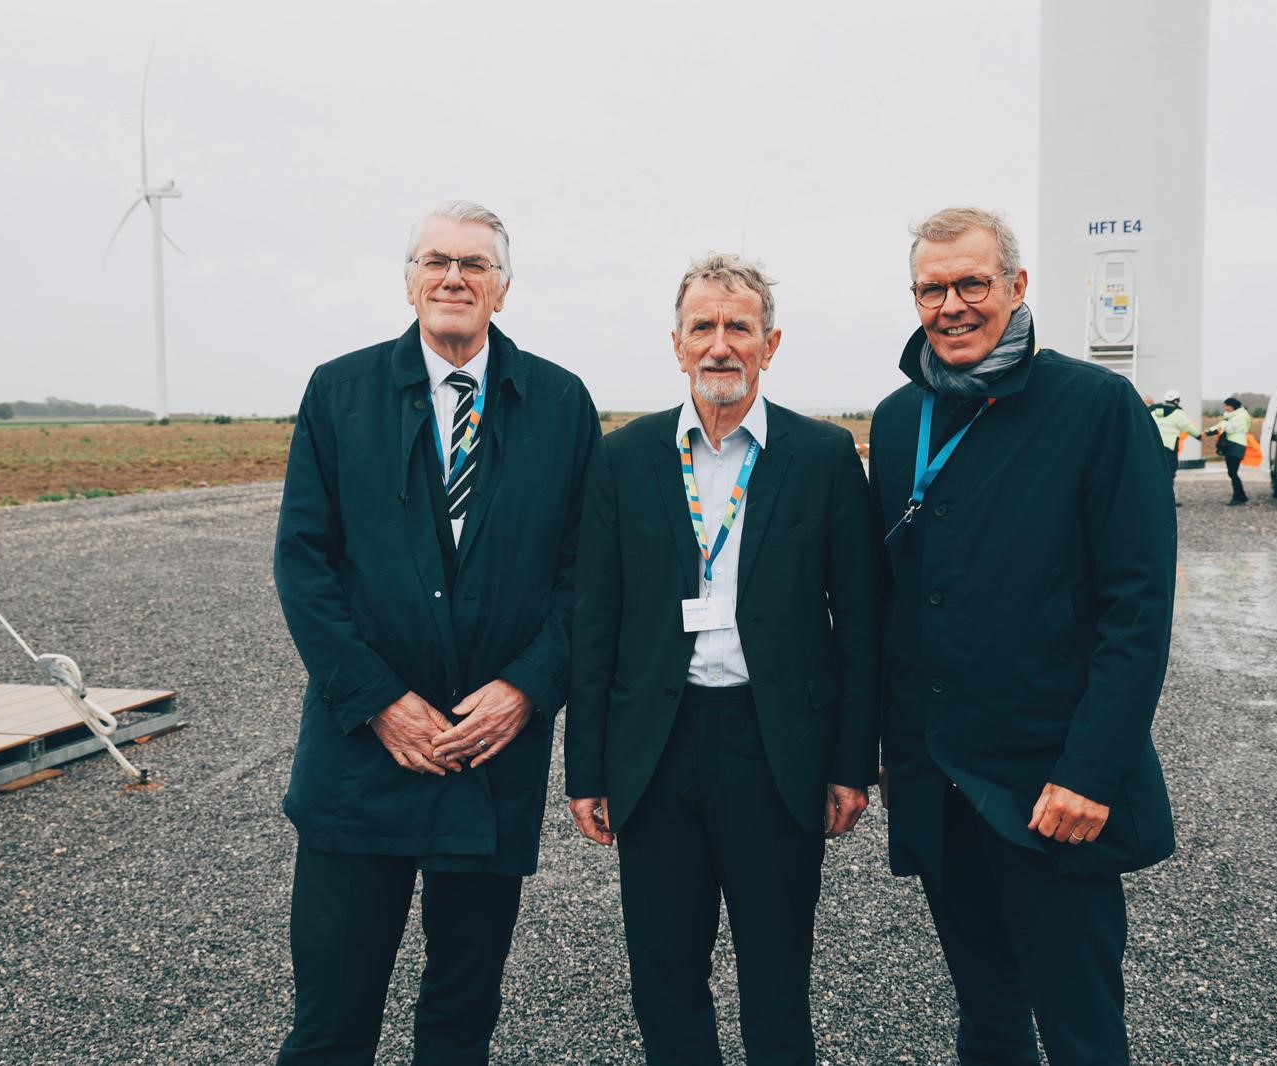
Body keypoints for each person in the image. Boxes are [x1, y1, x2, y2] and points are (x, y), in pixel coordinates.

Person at [272, 200, 600, 1064]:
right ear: (409, 279)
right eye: (435, 262)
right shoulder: (338, 393)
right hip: (360, 757)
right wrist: (379, 700)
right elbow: (304, 567)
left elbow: (587, 577)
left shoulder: (562, 405)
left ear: (503, 287)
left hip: (493, 755)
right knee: (331, 1022)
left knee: (460, 1019)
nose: (454, 278)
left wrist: (529, 688)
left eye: (474, 265)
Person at [867, 207, 1176, 1064]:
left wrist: (1089, 771)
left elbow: (1138, 610)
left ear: (1016, 287)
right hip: (941, 782)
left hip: (1051, 790)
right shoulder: (899, 420)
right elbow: (895, 607)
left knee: (1079, 1026)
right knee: (988, 1016)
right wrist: (893, 752)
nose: (953, 305)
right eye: (934, 288)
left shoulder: (1097, 407)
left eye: (973, 283)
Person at [566, 253, 881, 1065]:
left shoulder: (821, 457)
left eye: (738, 327)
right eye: (702, 327)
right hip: (656, 747)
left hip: (774, 746)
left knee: (776, 978)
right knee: (663, 974)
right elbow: (595, 618)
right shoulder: (624, 458)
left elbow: (863, 621)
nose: (719, 345)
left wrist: (853, 763)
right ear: (676, 345)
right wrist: (587, 768)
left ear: (770, 345)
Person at [1147, 388, 1201, 506]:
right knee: (1169, 473)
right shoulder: (1178, 413)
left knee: (1154, 471)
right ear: (1177, 400)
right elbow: (1187, 427)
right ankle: (1168, 500)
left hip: (1154, 446)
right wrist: (1199, 436)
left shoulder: (1153, 410)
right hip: (1169, 448)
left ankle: (1152, 498)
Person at [1205, 396, 1252, 505]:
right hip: (1232, 446)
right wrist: (1209, 431)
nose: (1225, 408)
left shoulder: (1241, 416)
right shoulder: (1232, 416)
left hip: (1237, 446)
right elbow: (1223, 426)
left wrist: (1216, 428)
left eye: (1227, 406)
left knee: (1233, 472)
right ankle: (1241, 496)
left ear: (1233, 406)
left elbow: (1230, 428)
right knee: (1232, 472)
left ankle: (1238, 497)